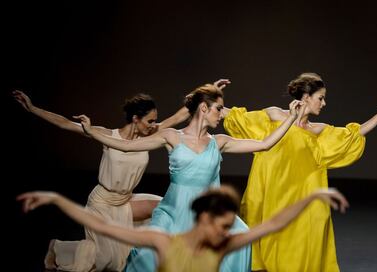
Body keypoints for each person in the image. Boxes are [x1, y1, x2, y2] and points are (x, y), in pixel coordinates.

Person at [73, 82, 303, 272]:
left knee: (241, 237)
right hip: (175, 212)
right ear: (203, 108)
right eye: (219, 109)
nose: (222, 114)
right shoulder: (173, 137)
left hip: (208, 212)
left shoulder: (219, 142)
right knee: (151, 254)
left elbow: (264, 144)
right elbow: (125, 146)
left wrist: (291, 118)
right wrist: (91, 132)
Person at [222, 72, 377, 271]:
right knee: (271, 237)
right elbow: (235, 117)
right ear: (306, 98)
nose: (324, 103)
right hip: (272, 192)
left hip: (304, 195)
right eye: (321, 98)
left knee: (306, 236)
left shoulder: (318, 131)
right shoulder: (275, 116)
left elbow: (353, 134)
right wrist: (207, 96)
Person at [13, 90, 190, 271]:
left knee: (164, 207)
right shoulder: (107, 135)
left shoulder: (148, 136)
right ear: (136, 118)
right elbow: (65, 124)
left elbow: (178, 117)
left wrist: (208, 93)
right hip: (102, 203)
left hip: (125, 200)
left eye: (155, 121)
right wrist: (33, 108)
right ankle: (59, 247)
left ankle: (164, 259)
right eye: (150, 121)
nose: (153, 125)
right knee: (108, 261)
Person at [17, 185, 349, 272]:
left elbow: (274, 223)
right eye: (221, 226)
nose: (225, 232)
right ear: (204, 219)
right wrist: (56, 199)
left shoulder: (224, 245)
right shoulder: (163, 242)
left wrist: (315, 196)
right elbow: (100, 223)